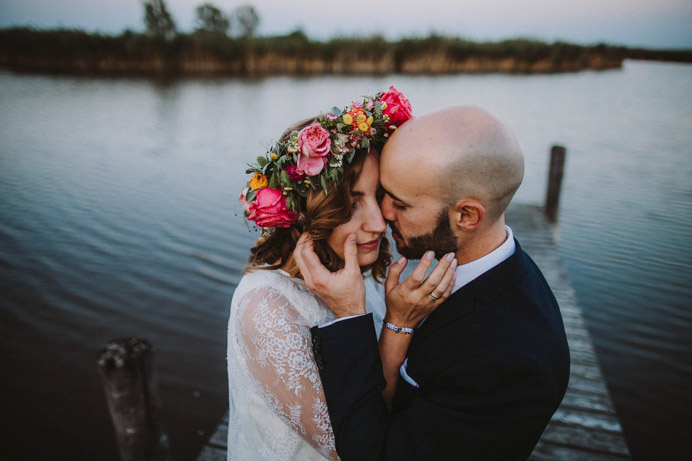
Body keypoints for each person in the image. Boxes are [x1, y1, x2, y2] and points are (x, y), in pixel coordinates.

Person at [295, 105, 571, 460]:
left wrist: (350, 313)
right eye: (383, 193)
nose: (383, 217)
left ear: (467, 215)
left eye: (401, 204)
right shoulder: (464, 266)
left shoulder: (511, 362)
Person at [226, 89, 457, 460]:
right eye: (351, 204)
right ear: (307, 210)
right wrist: (396, 324)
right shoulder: (267, 310)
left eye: (378, 195)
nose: (380, 223)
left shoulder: (349, 268)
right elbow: (356, 447)